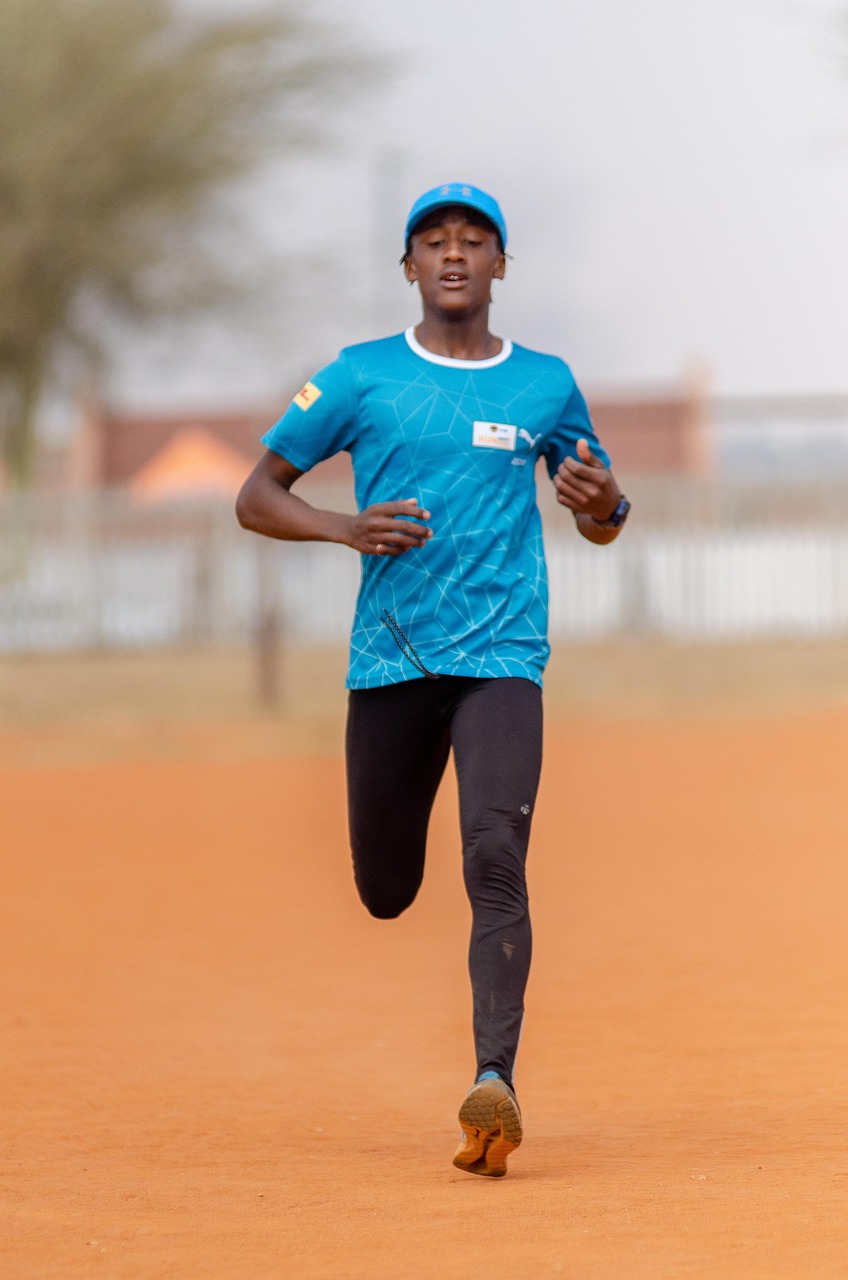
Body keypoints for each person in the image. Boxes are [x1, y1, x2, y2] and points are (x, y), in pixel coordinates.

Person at [235, 182, 629, 1178]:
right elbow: (255, 495)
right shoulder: (359, 377)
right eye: (432, 241)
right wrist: (342, 526)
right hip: (391, 663)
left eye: (474, 239)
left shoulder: (544, 383)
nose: (453, 253)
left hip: (502, 659)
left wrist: (605, 503)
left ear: (500, 265)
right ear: (407, 267)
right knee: (384, 887)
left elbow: (597, 511)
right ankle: (396, 893)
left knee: (495, 852)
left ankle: (492, 1077)